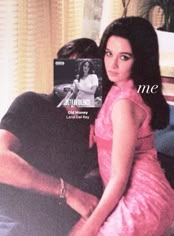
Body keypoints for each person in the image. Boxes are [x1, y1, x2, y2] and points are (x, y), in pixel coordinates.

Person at [69, 17, 174, 236]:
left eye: (124, 57)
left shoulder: (124, 104)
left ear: (140, 60)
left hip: (145, 199)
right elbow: (71, 94)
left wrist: (91, 227)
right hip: (129, 193)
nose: (112, 64)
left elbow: (118, 178)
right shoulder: (118, 88)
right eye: (108, 53)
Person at [0, 38, 102, 236]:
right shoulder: (31, 103)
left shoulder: (97, 125)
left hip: (48, 222)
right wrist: (68, 192)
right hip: (7, 210)